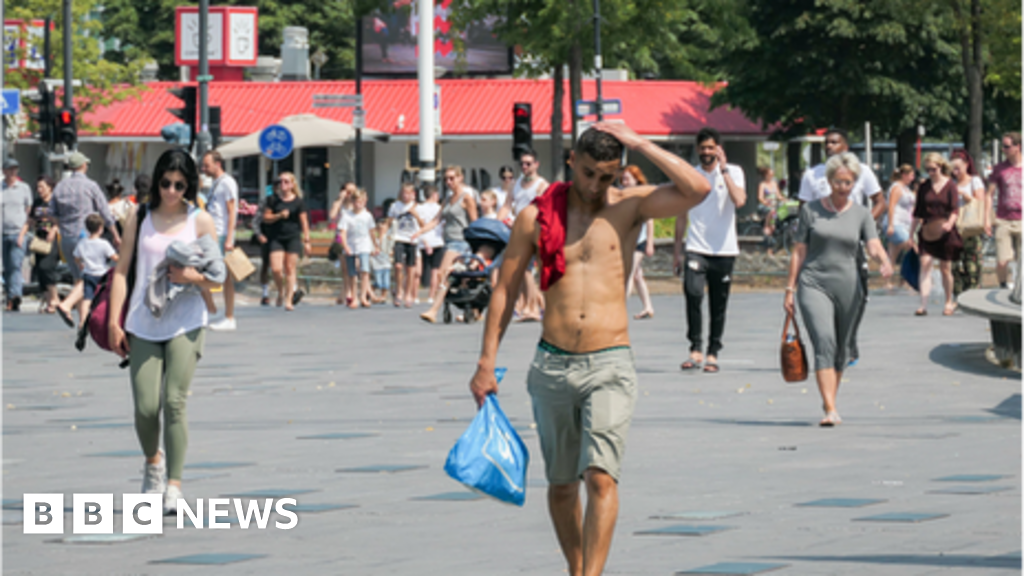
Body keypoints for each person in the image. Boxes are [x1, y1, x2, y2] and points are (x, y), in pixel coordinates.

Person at [469, 123, 710, 576]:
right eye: (588, 173)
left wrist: (637, 143)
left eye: (607, 175)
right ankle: (578, 568)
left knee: (599, 476)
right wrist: (486, 362)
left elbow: (698, 188)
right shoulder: (536, 217)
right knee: (562, 485)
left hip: (609, 362)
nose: (597, 185)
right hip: (552, 363)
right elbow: (503, 290)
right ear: (571, 163)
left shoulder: (630, 207)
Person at [108, 148, 222, 516]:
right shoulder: (139, 217)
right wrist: (113, 320)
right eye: (166, 183)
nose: (172, 191)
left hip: (186, 319)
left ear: (189, 185)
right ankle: (152, 461)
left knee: (174, 401)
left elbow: (218, 278)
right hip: (142, 320)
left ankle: (174, 485)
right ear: (157, 181)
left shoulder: (200, 221)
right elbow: (122, 271)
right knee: (145, 407)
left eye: (180, 185)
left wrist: (193, 277)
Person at [784, 152, 893, 427]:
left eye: (849, 182)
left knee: (842, 350)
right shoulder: (810, 211)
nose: (843, 187)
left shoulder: (861, 213)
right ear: (829, 181)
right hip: (813, 283)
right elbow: (799, 251)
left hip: (849, 285)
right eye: (838, 181)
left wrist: (883, 259)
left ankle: (830, 396)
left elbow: (872, 244)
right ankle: (830, 409)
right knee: (824, 341)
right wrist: (789, 288)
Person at [798, 127, 883, 365]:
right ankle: (830, 347)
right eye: (826, 143)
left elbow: (879, 201)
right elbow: (802, 208)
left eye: (834, 142)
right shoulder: (813, 175)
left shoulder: (862, 171)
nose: (829, 147)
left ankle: (848, 343)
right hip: (821, 246)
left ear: (845, 147)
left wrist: (864, 227)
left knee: (858, 298)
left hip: (850, 245)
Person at [674, 128, 746, 374]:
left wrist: (723, 170)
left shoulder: (734, 172)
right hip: (696, 247)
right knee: (693, 294)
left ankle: (713, 352)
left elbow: (740, 200)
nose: (706, 152)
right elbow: (681, 215)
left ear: (718, 149)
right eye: (702, 148)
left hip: (724, 249)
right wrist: (677, 251)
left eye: (711, 148)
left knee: (719, 303)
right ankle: (695, 348)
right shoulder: (690, 175)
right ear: (697, 149)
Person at [50, 152, 121, 327]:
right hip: (87, 236)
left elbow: (51, 212)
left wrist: (62, 224)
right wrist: (115, 234)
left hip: (67, 237)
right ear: (83, 166)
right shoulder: (90, 186)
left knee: (79, 278)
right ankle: (67, 305)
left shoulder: (60, 187)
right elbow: (105, 211)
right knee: (85, 279)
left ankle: (83, 321)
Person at [416, 166, 480, 323]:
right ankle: (473, 311)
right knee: (459, 278)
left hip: (460, 242)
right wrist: (420, 231)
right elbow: (437, 220)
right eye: (446, 179)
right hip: (449, 241)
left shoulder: (466, 198)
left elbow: (475, 222)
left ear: (460, 178)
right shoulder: (448, 198)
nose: (448, 182)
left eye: (452, 178)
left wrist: (476, 245)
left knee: (443, 274)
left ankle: (434, 310)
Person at [498, 150, 549, 321]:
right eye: (522, 164)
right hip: (518, 231)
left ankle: (534, 307)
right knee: (523, 270)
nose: (524, 167)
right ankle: (533, 307)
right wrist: (497, 222)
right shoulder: (515, 184)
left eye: (528, 163)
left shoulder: (542, 185)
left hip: (535, 230)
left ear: (536, 164)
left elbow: (543, 209)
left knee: (531, 271)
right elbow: (507, 206)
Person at [911, 153, 962, 316]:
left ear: (941, 167)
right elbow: (917, 212)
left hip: (946, 230)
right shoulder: (924, 187)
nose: (930, 172)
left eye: (933, 169)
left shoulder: (950, 185)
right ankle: (923, 304)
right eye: (927, 170)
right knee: (925, 263)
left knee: (945, 268)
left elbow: (955, 209)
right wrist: (911, 233)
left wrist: (950, 223)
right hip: (927, 230)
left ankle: (948, 301)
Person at [201, 150, 239, 331]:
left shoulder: (227, 183)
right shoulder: (216, 183)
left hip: (221, 233)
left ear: (218, 164)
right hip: (212, 233)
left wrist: (230, 237)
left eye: (207, 165)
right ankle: (213, 309)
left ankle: (228, 316)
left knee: (224, 276)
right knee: (210, 272)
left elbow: (232, 211)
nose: (204, 168)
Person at [262, 172, 310, 311]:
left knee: (290, 268)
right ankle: (281, 290)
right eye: (280, 182)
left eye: (286, 182)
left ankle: (289, 299)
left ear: (292, 184)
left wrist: (307, 240)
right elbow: (266, 217)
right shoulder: (272, 200)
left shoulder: (298, 202)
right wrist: (279, 215)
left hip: (292, 237)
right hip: (276, 237)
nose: (283, 184)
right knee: (276, 268)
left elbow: (304, 222)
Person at [986, 132, 1024, 288]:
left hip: (1023, 219)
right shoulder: (999, 169)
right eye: (1003, 146)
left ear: (1018, 147)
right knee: (1001, 261)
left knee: (1022, 261)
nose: (1004, 149)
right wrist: (987, 219)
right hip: (1003, 219)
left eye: (1007, 146)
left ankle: (1020, 291)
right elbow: (990, 195)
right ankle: (1003, 284)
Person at [620, 166, 655, 320]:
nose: (624, 181)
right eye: (623, 179)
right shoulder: (621, 195)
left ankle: (620, 307)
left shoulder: (642, 196)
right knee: (638, 275)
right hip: (627, 240)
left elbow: (649, 220)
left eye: (627, 178)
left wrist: (650, 243)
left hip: (639, 241)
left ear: (636, 179)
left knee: (629, 273)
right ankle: (648, 307)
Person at [72, 214, 119, 327]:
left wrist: (80, 263)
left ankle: (82, 320)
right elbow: (114, 257)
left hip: (88, 273)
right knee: (104, 297)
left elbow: (76, 257)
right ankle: (104, 318)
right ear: (100, 228)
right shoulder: (103, 243)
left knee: (87, 298)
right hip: (102, 274)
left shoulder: (82, 242)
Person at [950, 149, 986, 296]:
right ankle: (958, 295)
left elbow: (980, 203)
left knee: (972, 264)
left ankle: (973, 294)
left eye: (958, 168)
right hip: (954, 228)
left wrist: (965, 196)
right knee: (955, 265)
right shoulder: (951, 183)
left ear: (966, 165)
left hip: (970, 227)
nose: (955, 171)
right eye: (953, 168)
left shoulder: (974, 181)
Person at [0, 158, 32, 312]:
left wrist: (22, 233)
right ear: (3, 171)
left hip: (18, 232)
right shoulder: (0, 188)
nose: (13, 173)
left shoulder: (24, 188)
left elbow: (29, 211)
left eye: (15, 170)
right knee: (7, 267)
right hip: (2, 233)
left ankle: (14, 297)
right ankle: (10, 296)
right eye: (10, 170)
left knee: (15, 265)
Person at [387, 183, 424, 308]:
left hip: (412, 239)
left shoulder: (418, 207)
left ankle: (408, 294)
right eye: (404, 193)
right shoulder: (395, 206)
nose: (406, 196)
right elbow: (389, 221)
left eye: (408, 193)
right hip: (399, 238)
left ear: (413, 194)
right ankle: (399, 291)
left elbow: (423, 224)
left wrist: (416, 214)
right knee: (398, 266)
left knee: (410, 268)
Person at [339, 189, 377, 308]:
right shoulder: (347, 215)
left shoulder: (367, 216)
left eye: (361, 201)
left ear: (365, 202)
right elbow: (343, 232)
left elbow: (372, 232)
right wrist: (345, 246)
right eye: (356, 201)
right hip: (351, 246)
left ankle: (363, 296)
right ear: (352, 202)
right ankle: (354, 297)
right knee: (352, 273)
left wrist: (375, 245)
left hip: (364, 246)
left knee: (365, 270)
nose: (358, 204)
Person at [28, 177, 60, 313]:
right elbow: (31, 219)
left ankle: (55, 298)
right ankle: (49, 303)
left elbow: (61, 219)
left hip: (53, 240)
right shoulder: (37, 202)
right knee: (40, 271)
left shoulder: (56, 202)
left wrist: (53, 230)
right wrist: (23, 233)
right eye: (38, 187)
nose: (39, 190)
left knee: (46, 267)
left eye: (42, 187)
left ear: (50, 187)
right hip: (40, 240)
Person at [885, 165, 917, 290]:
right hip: (896, 224)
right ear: (904, 175)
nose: (913, 178)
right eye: (911, 175)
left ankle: (890, 282)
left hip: (906, 224)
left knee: (892, 255)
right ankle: (908, 279)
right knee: (912, 248)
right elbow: (891, 206)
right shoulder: (897, 188)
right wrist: (891, 225)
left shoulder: (906, 189)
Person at [416, 185, 446, 303]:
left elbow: (418, 225)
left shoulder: (419, 208)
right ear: (434, 195)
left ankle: (415, 295)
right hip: (437, 240)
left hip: (422, 241)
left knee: (420, 270)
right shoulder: (439, 208)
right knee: (435, 270)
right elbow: (442, 224)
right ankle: (431, 296)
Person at [757, 166, 786, 255]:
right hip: (765, 207)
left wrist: (785, 200)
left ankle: (769, 246)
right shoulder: (762, 185)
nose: (771, 176)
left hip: (773, 207)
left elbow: (778, 196)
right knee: (772, 212)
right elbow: (760, 197)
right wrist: (766, 203)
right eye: (770, 175)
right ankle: (767, 224)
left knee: (776, 214)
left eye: (772, 175)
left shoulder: (774, 184)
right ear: (766, 175)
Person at [370, 216, 393, 304]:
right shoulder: (374, 240)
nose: (381, 228)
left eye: (383, 227)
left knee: (386, 282)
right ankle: (370, 292)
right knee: (378, 282)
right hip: (377, 265)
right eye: (379, 227)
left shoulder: (388, 239)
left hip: (386, 264)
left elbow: (392, 249)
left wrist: (391, 252)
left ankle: (383, 296)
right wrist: (374, 250)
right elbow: (371, 250)